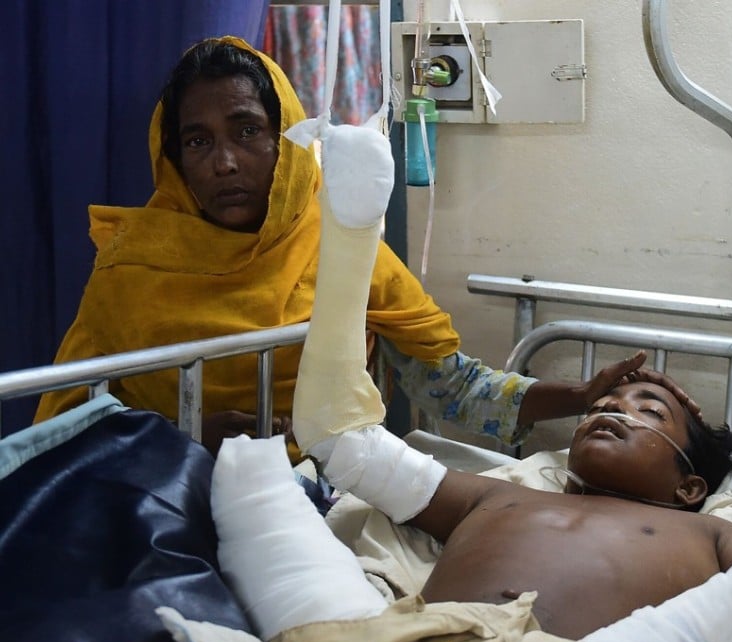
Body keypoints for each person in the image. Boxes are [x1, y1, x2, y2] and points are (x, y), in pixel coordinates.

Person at [208, 182, 732, 642]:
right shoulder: (498, 495)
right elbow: (341, 442)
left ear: (690, 487)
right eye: (610, 400)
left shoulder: (709, 535)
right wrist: (353, 228)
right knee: (251, 483)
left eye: (650, 410)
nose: (613, 408)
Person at [32, 36, 646, 456]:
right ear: (173, 159)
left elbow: (452, 388)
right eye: (198, 142)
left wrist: (580, 397)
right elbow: (70, 427)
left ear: (287, 138)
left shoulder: (344, 248)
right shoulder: (132, 267)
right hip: (162, 490)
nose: (224, 162)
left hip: (314, 493)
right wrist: (184, 438)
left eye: (247, 131)